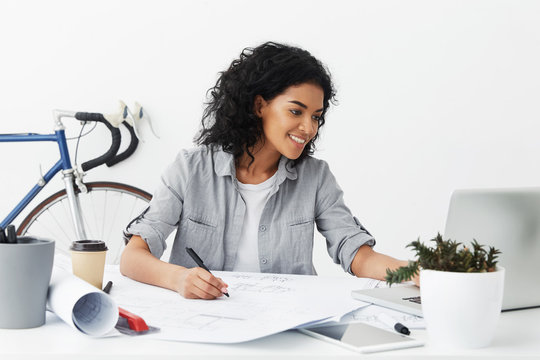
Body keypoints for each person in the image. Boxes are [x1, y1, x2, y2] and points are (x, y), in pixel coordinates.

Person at [120, 42, 416, 300]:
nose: (309, 128)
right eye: (296, 111)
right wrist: (178, 279)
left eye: (316, 116)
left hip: (288, 323)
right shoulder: (190, 169)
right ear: (260, 105)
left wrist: (418, 274)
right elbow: (132, 258)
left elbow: (357, 255)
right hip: (206, 318)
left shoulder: (315, 178)